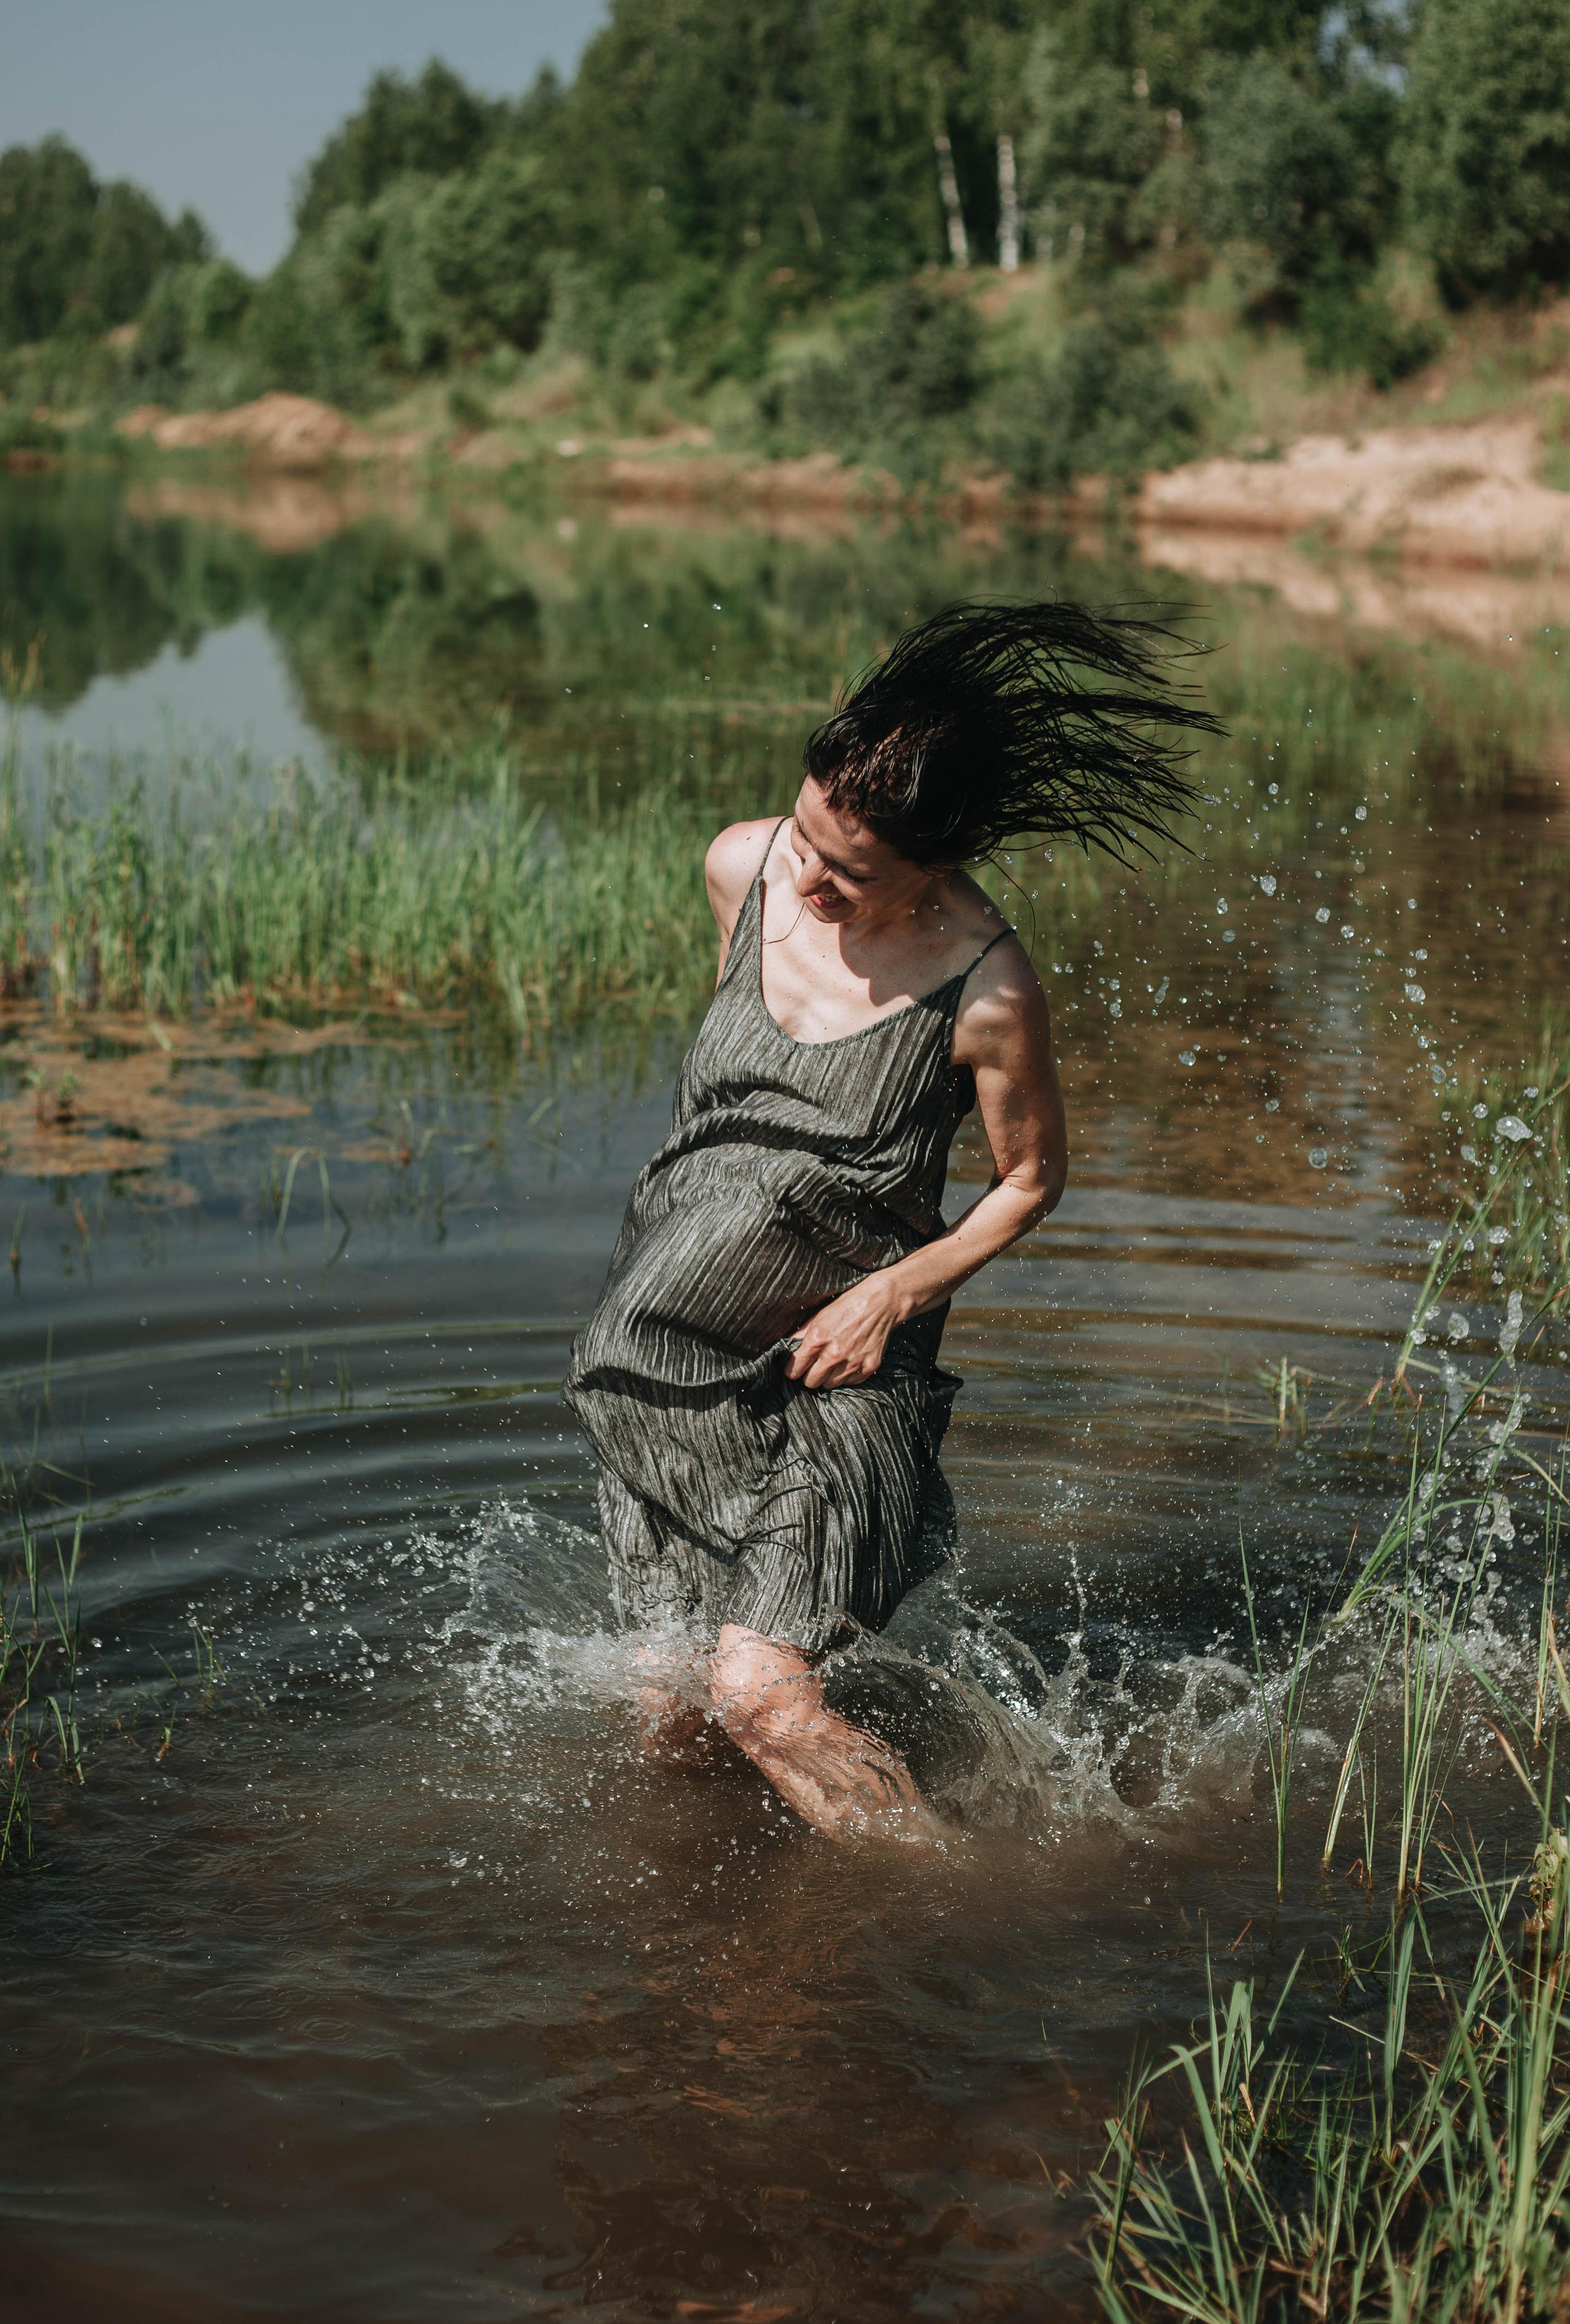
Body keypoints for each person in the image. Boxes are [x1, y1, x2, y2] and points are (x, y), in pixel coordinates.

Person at [565, 600, 1216, 1840]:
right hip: (664, 1369)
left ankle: (960, 1897)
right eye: (806, 834)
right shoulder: (741, 867)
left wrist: (887, 1292)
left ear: (937, 863)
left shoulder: (987, 989)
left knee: (754, 1696)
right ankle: (755, 1925)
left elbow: (1030, 1180)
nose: (808, 877)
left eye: (850, 870)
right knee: (669, 1718)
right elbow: (734, 1116)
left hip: (840, 1372)